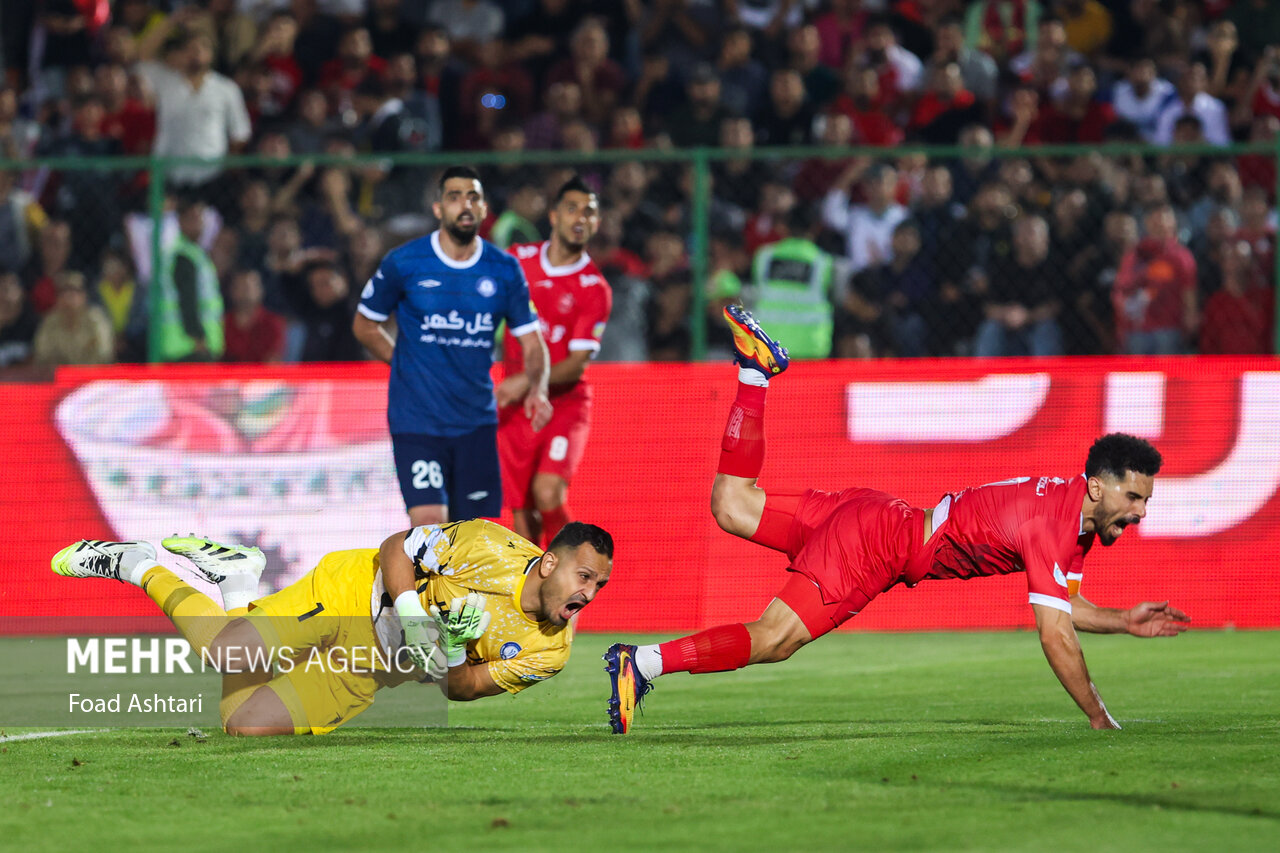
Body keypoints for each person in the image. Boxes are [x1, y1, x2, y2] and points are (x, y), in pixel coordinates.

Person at [604, 306, 1190, 734]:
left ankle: (754, 375)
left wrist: (1121, 621)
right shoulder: (1054, 524)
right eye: (1135, 499)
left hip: (872, 515)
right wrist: (1098, 717)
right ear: (1097, 486)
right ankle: (642, 663)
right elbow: (1054, 633)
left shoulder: (1069, 514)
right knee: (775, 639)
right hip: (874, 545)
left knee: (731, 504)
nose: (1140, 513)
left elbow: (1069, 612)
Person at [50, 520, 613, 735]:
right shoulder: (489, 545)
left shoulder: (552, 652)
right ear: (548, 563)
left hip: (374, 670)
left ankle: (239, 580)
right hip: (350, 595)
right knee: (229, 654)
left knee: (242, 723)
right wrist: (414, 612)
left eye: (598, 586)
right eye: (584, 576)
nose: (587, 594)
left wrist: (457, 650)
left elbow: (464, 689)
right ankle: (138, 563)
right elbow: (399, 546)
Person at [352, 166, 551, 526]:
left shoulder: (504, 269)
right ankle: (410, 584)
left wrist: (535, 385)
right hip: (417, 421)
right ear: (438, 209)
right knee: (430, 526)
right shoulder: (404, 262)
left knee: (478, 535)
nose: (464, 204)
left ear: (485, 208)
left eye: (473, 197)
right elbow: (365, 324)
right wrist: (405, 362)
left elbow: (533, 343)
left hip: (477, 422)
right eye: (454, 196)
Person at [499, 176, 613, 549]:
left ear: (596, 223)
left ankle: (571, 568)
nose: (580, 217)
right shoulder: (518, 260)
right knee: (521, 514)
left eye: (589, 212)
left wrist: (529, 383)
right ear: (553, 215)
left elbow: (578, 364)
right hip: (515, 407)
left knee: (548, 493)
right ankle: (534, 598)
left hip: (563, 403)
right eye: (572, 208)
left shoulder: (594, 288)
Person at [154, 197, 224, 363]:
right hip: (189, 349)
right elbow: (187, 298)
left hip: (187, 347)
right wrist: (198, 337)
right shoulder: (183, 256)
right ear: (180, 222)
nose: (199, 223)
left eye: (200, 218)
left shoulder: (195, 253)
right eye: (192, 219)